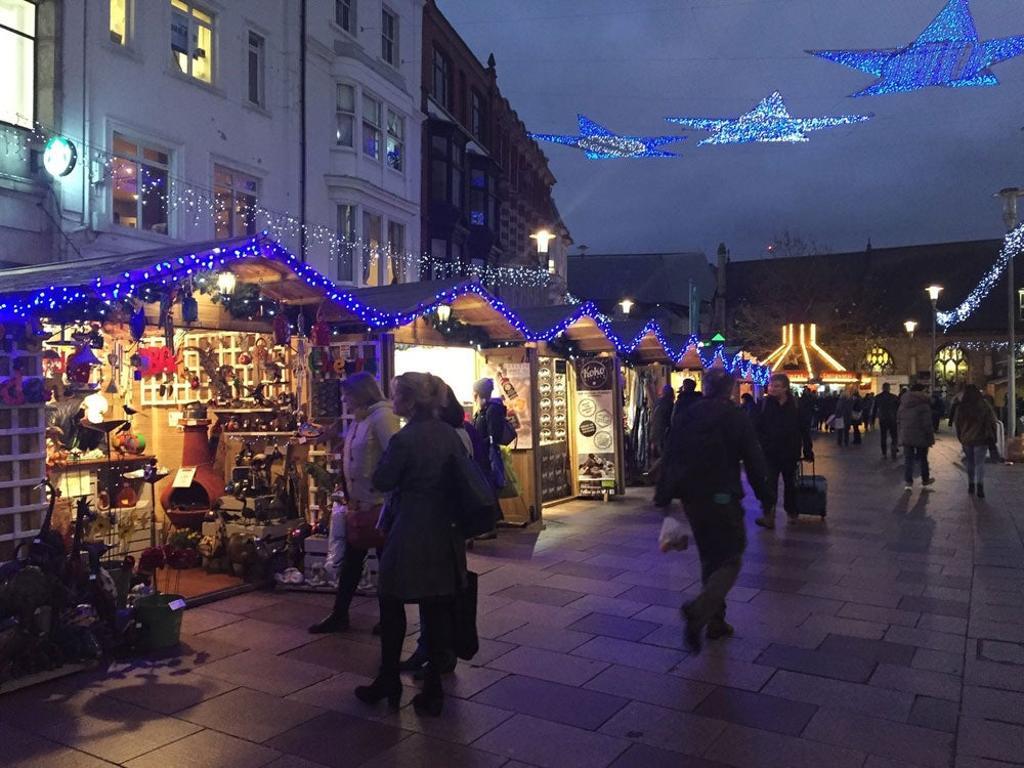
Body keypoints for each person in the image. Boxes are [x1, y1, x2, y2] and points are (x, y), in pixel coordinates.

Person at [355, 372, 467, 716]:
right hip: (444, 533)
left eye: (397, 396)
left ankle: (388, 679)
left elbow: (384, 479)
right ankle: (433, 687)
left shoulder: (405, 440)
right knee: (435, 610)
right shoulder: (450, 435)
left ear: (411, 401)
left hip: (409, 531)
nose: (393, 402)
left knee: (391, 603)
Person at [654, 369, 767, 654]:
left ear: (705, 388)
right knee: (731, 556)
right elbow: (753, 457)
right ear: (729, 389)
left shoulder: (687, 414)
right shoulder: (735, 415)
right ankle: (701, 610)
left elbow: (671, 453)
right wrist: (766, 495)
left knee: (709, 558)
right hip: (722, 495)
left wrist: (664, 495)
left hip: (692, 498)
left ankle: (716, 622)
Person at [309, 373, 398, 634]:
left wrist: (381, 488)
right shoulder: (362, 419)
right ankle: (341, 613)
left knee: (385, 563)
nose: (344, 400)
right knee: (352, 561)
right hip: (360, 504)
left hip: (378, 504)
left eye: (347, 394)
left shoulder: (381, 417)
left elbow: (393, 455)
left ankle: (388, 617)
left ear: (360, 393)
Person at [754, 374, 803, 529]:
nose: (772, 388)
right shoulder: (764, 404)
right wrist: (763, 443)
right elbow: (757, 426)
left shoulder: (795, 404)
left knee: (790, 484)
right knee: (769, 485)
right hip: (770, 452)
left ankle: (792, 512)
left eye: (776, 386)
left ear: (785, 388)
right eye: (771, 385)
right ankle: (769, 515)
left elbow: (803, 427)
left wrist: (807, 449)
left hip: (790, 452)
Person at [954, 384, 998, 498]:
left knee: (970, 462)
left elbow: (957, 424)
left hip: (967, 439)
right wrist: (993, 436)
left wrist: (961, 437)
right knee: (980, 463)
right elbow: (992, 421)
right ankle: (980, 486)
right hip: (981, 439)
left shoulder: (962, 407)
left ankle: (971, 485)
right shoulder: (984, 405)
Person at [898, 384, 936, 491]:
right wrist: (930, 437)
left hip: (907, 435)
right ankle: (925, 480)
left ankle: (908, 483)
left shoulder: (903, 403)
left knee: (908, 459)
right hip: (921, 435)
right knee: (923, 459)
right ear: (922, 391)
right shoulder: (924, 405)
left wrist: (901, 433)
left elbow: (899, 419)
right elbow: (927, 423)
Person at [872, 382, 900, 460]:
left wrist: (872, 420)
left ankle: (884, 453)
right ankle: (893, 449)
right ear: (889, 388)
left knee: (883, 436)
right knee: (894, 435)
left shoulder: (877, 397)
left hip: (883, 418)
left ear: (882, 388)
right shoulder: (894, 397)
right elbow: (899, 408)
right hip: (892, 418)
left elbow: (874, 409)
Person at [649, 384, 675, 457]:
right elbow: (671, 421)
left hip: (655, 434)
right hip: (664, 435)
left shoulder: (657, 402)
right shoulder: (670, 404)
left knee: (656, 457)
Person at [797, 388, 817, 459]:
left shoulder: (800, 399)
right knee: (806, 435)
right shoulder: (810, 398)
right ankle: (807, 453)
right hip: (806, 418)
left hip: (802, 418)